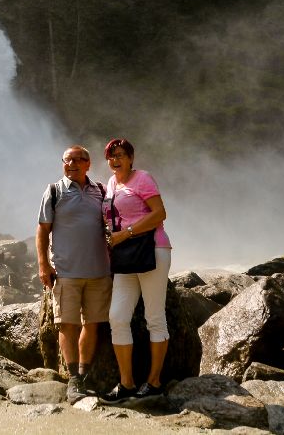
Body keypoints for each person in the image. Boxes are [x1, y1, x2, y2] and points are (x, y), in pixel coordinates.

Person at [36, 145, 112, 404]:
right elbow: (42, 230)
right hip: (66, 271)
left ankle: (84, 375)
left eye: (78, 160)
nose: (72, 164)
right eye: (67, 160)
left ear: (88, 164)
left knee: (92, 323)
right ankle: (74, 380)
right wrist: (43, 264)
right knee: (68, 324)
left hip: (99, 271)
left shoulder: (101, 190)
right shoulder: (54, 191)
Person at [100, 138, 172, 403]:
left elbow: (160, 213)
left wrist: (126, 233)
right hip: (126, 257)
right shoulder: (111, 183)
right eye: (111, 156)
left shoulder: (142, 178)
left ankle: (154, 382)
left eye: (120, 155)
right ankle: (127, 383)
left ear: (131, 157)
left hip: (152, 249)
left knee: (154, 317)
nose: (115, 160)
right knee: (117, 317)